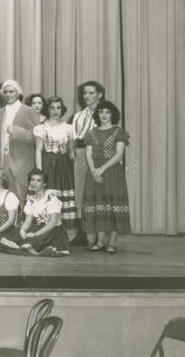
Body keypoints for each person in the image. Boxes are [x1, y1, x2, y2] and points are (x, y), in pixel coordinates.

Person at [82, 100, 130, 254]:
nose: (104, 115)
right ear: (97, 114)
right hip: (94, 171)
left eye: (107, 112)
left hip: (112, 172)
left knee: (113, 205)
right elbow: (88, 154)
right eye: (101, 112)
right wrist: (93, 171)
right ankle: (100, 241)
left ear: (112, 114)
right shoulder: (91, 133)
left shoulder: (118, 132)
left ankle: (113, 242)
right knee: (98, 206)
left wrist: (101, 170)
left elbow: (119, 154)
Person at [0, 79, 40, 208]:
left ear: (18, 93)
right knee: (7, 199)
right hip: (3, 161)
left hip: (22, 161)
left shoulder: (29, 111)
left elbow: (35, 137)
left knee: (24, 197)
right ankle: (11, 225)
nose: (8, 95)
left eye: (11, 91)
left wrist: (16, 131)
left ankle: (24, 225)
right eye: (5, 92)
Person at [34, 97, 78, 241]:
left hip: (63, 167)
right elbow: (38, 150)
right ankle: (45, 233)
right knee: (48, 195)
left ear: (62, 109)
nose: (55, 111)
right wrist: (40, 170)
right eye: (52, 108)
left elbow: (71, 148)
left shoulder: (69, 128)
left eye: (58, 108)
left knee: (63, 198)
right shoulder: (41, 128)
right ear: (48, 109)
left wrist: (71, 155)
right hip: (48, 164)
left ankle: (64, 235)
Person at [0, 169, 70, 256]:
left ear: (44, 183)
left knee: (31, 243)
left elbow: (53, 223)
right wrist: (23, 230)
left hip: (53, 231)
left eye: (38, 180)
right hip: (38, 227)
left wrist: (36, 234)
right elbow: (28, 221)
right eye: (32, 180)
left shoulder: (52, 199)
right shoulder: (31, 200)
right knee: (10, 239)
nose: (34, 183)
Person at [70, 80, 105, 248]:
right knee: (80, 194)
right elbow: (74, 136)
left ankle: (100, 236)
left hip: (96, 156)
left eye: (91, 93)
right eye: (85, 93)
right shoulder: (78, 115)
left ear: (100, 94)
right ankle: (82, 233)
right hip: (79, 155)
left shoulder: (105, 113)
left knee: (96, 194)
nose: (87, 96)